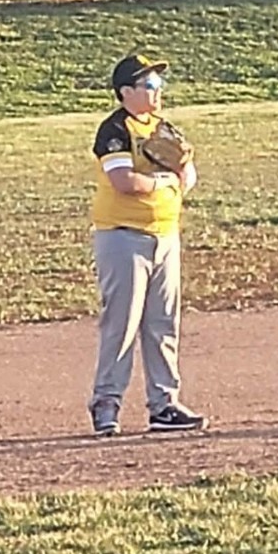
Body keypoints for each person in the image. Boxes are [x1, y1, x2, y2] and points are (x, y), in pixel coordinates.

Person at [87, 53, 207, 437]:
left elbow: (188, 172)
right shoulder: (114, 130)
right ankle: (106, 404)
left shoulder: (162, 128)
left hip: (165, 236)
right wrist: (164, 182)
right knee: (121, 324)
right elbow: (124, 181)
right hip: (122, 236)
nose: (158, 92)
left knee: (162, 324)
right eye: (150, 85)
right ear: (126, 92)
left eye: (159, 85)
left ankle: (164, 405)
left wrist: (181, 173)